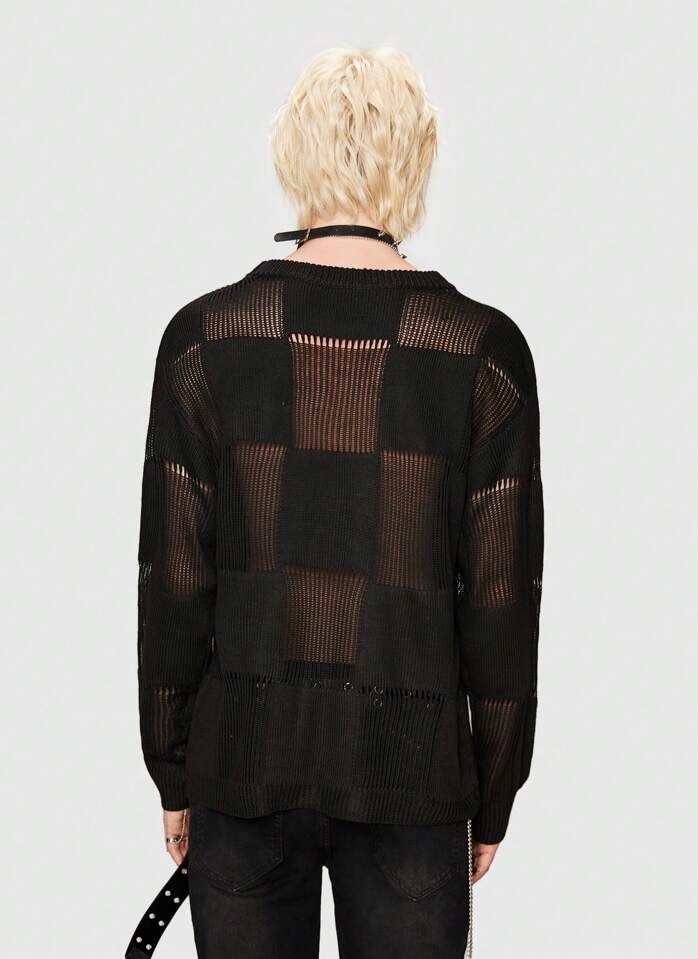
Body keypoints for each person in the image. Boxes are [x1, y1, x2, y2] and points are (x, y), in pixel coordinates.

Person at [135, 45, 544, 959]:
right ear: (417, 157)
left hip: (243, 766)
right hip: (413, 777)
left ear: (294, 154)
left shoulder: (204, 341)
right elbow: (501, 603)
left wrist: (173, 768)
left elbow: (174, 580)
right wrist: (493, 792)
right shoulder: (481, 352)